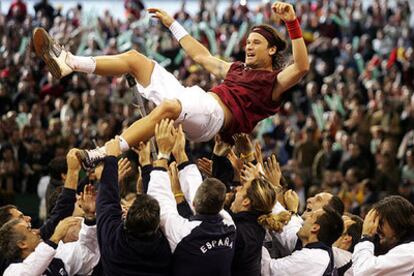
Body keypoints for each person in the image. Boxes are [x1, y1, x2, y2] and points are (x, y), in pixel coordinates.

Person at [32, 1, 309, 169]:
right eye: (247, 41)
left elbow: (301, 67)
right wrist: (173, 24)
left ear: (272, 51)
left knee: (168, 107)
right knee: (135, 59)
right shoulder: (236, 69)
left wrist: (292, 22)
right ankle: (69, 62)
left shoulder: (273, 82)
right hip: (196, 100)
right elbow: (202, 55)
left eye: (256, 43)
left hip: (212, 118)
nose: (248, 46)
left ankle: (101, 153)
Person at [147, 119, 236, 276]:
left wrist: (163, 153)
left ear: (194, 203)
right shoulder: (229, 226)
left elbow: (160, 201)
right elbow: (199, 191)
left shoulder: (185, 234)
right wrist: (180, 154)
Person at [96, 137, 172, 276]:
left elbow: (106, 201)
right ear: (157, 225)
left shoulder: (113, 240)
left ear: (125, 216)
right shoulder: (166, 250)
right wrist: (146, 166)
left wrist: (111, 159)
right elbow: (107, 201)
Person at [0, 186, 100, 276]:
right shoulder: (12, 272)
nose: (35, 232)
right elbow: (32, 269)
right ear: (22, 243)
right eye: (29, 230)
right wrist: (55, 237)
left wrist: (90, 217)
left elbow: (87, 253)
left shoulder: (55, 259)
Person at [261, 206, 344, 276]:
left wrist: (254, 236)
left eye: (311, 216)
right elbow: (289, 229)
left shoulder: (312, 258)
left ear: (315, 228)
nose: (305, 218)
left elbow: (268, 269)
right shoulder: (319, 252)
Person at [352, 196, 414, 275]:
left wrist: (366, 237)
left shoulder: (409, 251)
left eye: (380, 222)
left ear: (397, 222)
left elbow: (362, 272)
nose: (376, 229)